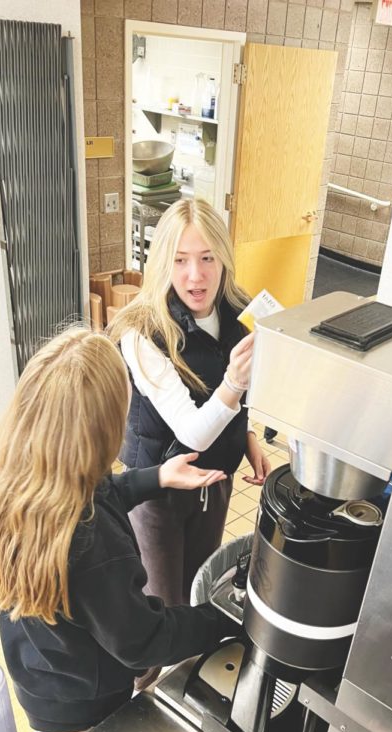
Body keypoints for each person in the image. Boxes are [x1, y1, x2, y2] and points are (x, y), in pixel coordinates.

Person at [0, 327, 241, 732]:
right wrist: (224, 618)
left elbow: (101, 492)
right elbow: (144, 641)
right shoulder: (93, 542)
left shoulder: (21, 479)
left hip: (42, 670)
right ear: (103, 429)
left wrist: (156, 477)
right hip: (87, 700)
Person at [109, 198, 271, 608]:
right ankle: (146, 677)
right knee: (160, 604)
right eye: (180, 260)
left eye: (207, 258)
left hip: (213, 483)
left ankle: (187, 667)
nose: (195, 275)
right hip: (158, 491)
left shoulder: (237, 313)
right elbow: (192, 430)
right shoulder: (142, 332)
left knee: (201, 588)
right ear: (162, 262)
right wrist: (234, 383)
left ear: (224, 259)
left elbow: (238, 394)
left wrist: (245, 434)